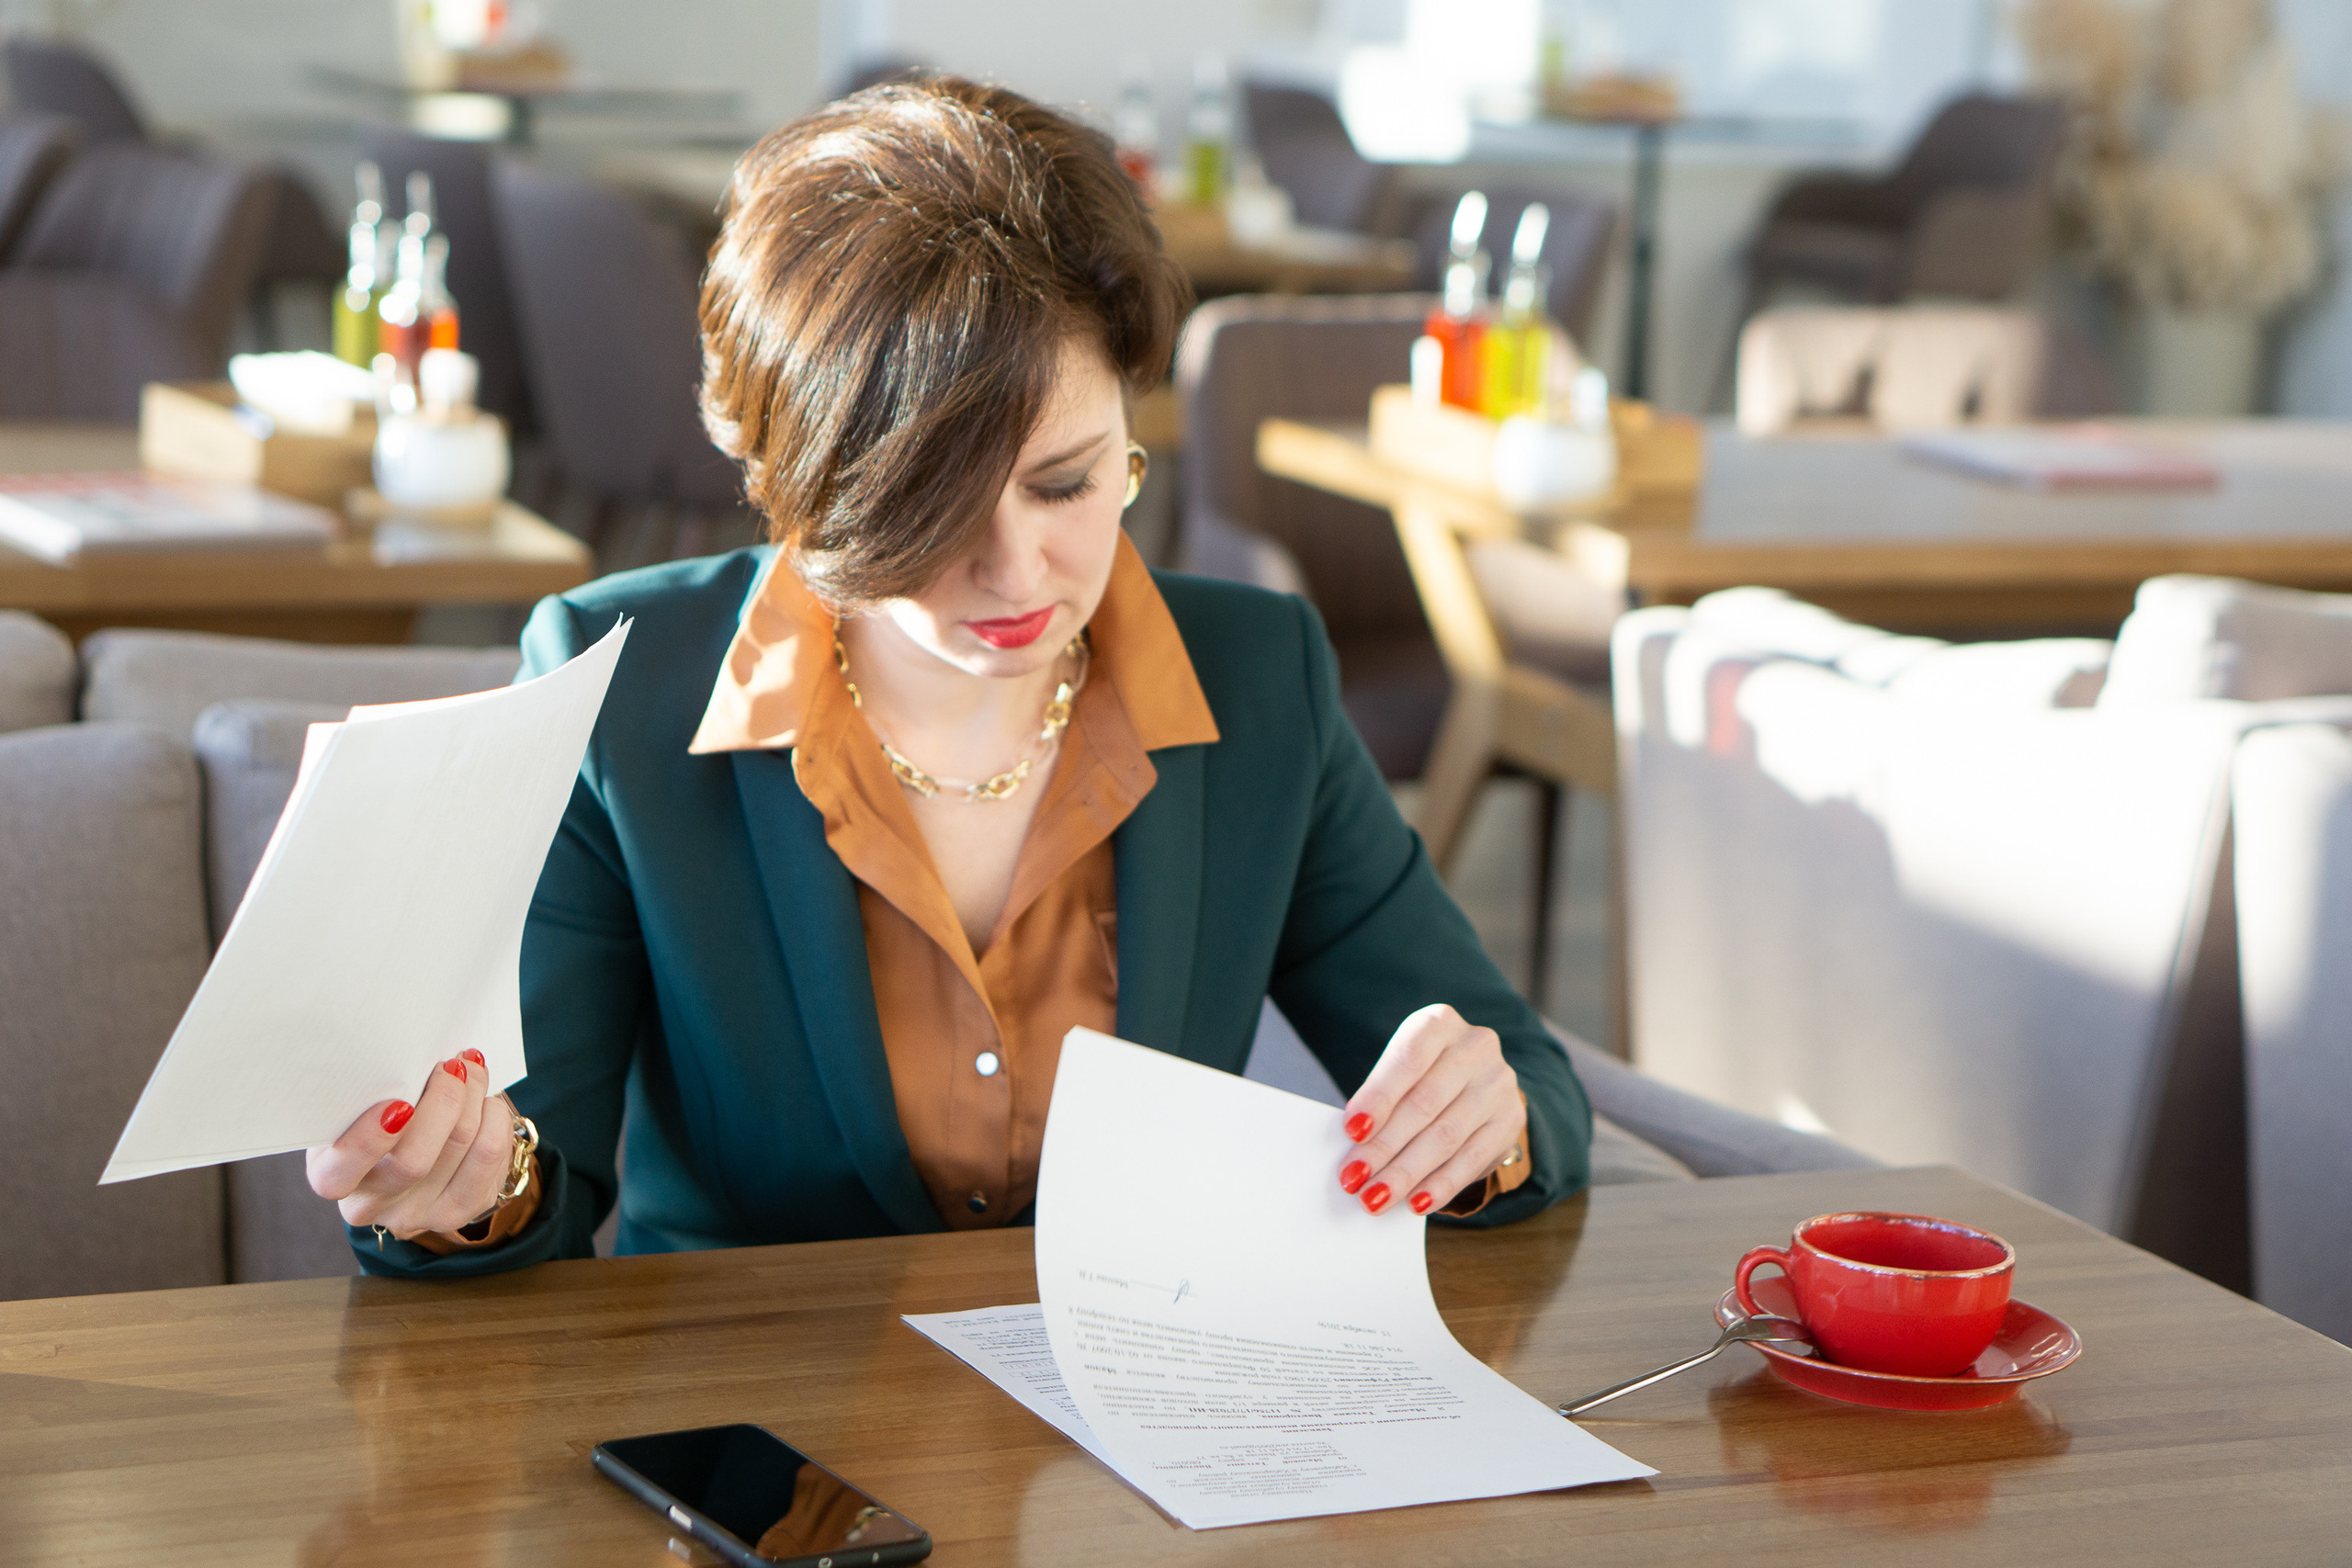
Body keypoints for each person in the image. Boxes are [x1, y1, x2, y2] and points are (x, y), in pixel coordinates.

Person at [306, 76, 1591, 1275]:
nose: (1020, 570)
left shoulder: (1259, 683)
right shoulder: (622, 695)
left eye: (1069, 484)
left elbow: (1529, 1086)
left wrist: (1482, 1122)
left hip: (1134, 1409)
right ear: (802, 494)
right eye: (936, 512)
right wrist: (470, 1183)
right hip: (752, 1410)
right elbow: (544, 1174)